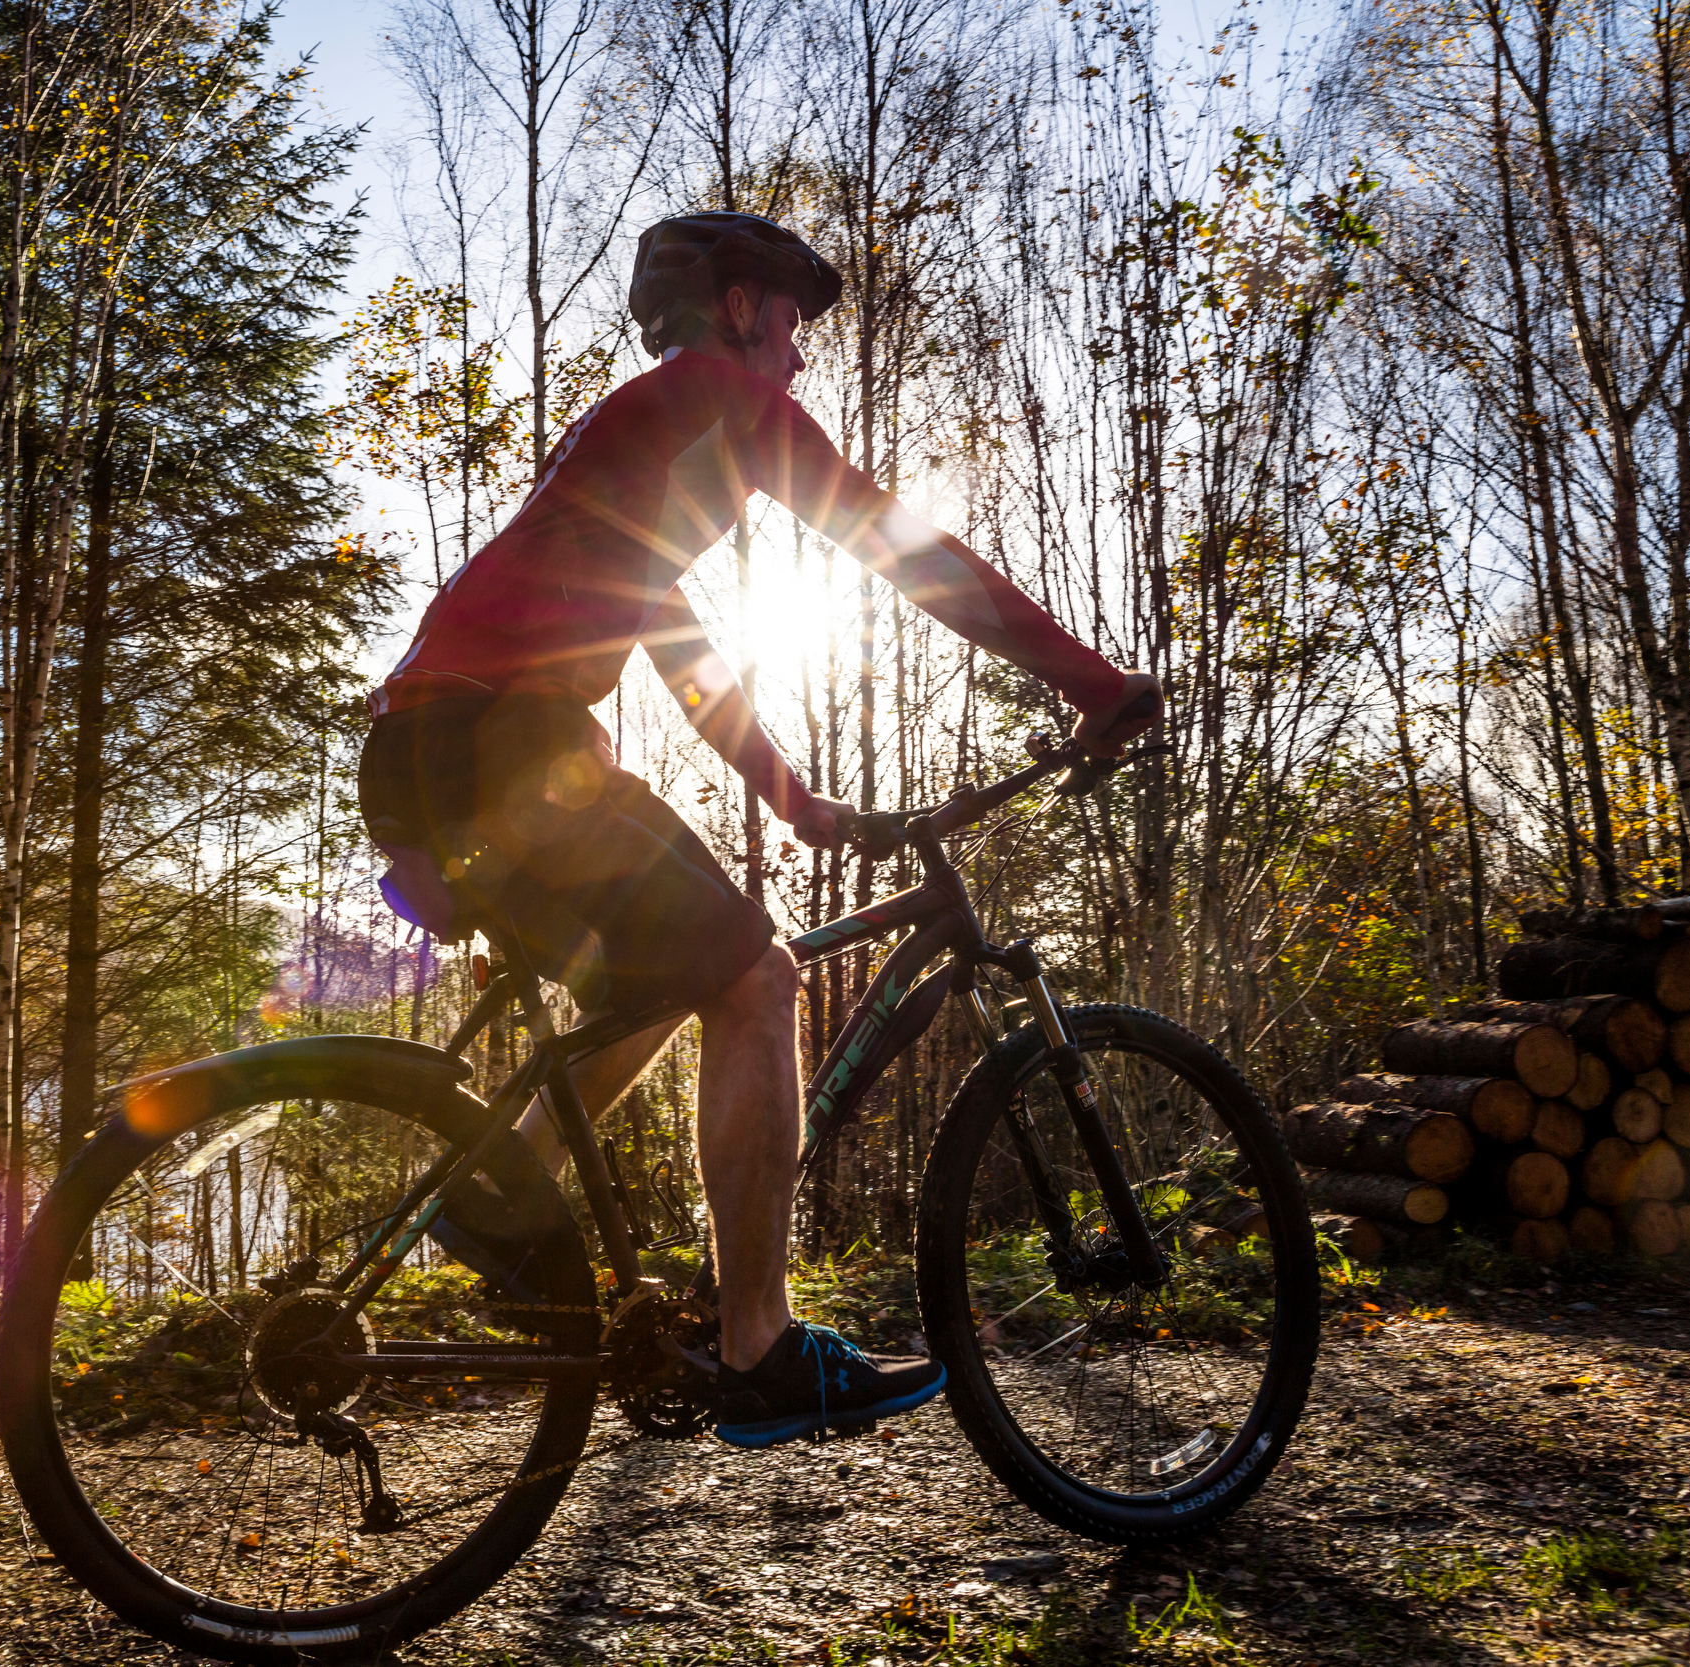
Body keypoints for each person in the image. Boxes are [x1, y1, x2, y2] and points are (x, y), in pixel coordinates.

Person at [357, 211, 1162, 1448]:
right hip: (499, 744)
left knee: (674, 972)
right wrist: (1091, 683)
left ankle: (497, 1186)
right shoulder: (716, 402)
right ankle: (758, 1344)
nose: (799, 358)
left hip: (433, 752)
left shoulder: (647, 450)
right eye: (790, 321)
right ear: (738, 310)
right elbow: (910, 554)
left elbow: (680, 651)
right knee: (757, 974)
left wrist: (795, 799)